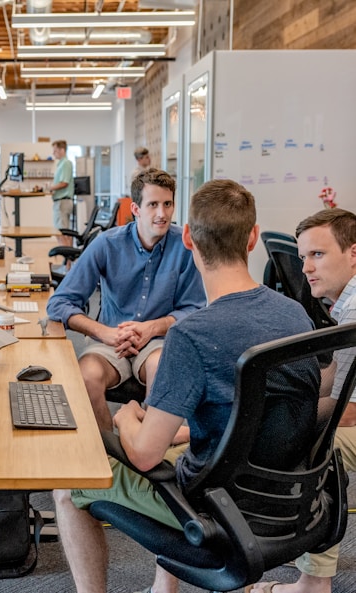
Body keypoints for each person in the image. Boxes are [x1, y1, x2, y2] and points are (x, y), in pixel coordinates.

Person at [53, 178, 320, 593]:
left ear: (190, 239)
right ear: (252, 238)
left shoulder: (192, 336)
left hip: (216, 507)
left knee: (67, 488)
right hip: (290, 499)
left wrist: (128, 416)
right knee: (179, 442)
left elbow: (143, 456)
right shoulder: (295, 316)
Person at [46, 167, 206, 431]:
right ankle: (110, 452)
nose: (162, 214)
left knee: (162, 372)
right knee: (86, 376)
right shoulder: (107, 244)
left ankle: (147, 451)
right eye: (153, 204)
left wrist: (151, 328)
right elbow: (59, 303)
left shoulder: (185, 246)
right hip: (110, 340)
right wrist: (104, 333)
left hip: (158, 341)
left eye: (168, 204)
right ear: (135, 209)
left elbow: (195, 309)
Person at [252, 208, 356, 593]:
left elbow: (346, 412)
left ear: (353, 255)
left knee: (314, 448)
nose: (306, 267)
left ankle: (313, 583)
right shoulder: (346, 303)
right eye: (302, 257)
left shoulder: (355, 309)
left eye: (318, 255)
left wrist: (274, 422)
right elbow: (332, 380)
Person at [50, 139, 75, 246]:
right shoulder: (61, 164)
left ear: (62, 150)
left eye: (55, 150)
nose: (53, 153)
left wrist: (51, 188)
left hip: (62, 202)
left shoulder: (66, 163)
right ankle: (67, 260)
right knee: (63, 232)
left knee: (62, 233)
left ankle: (67, 261)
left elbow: (64, 183)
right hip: (61, 201)